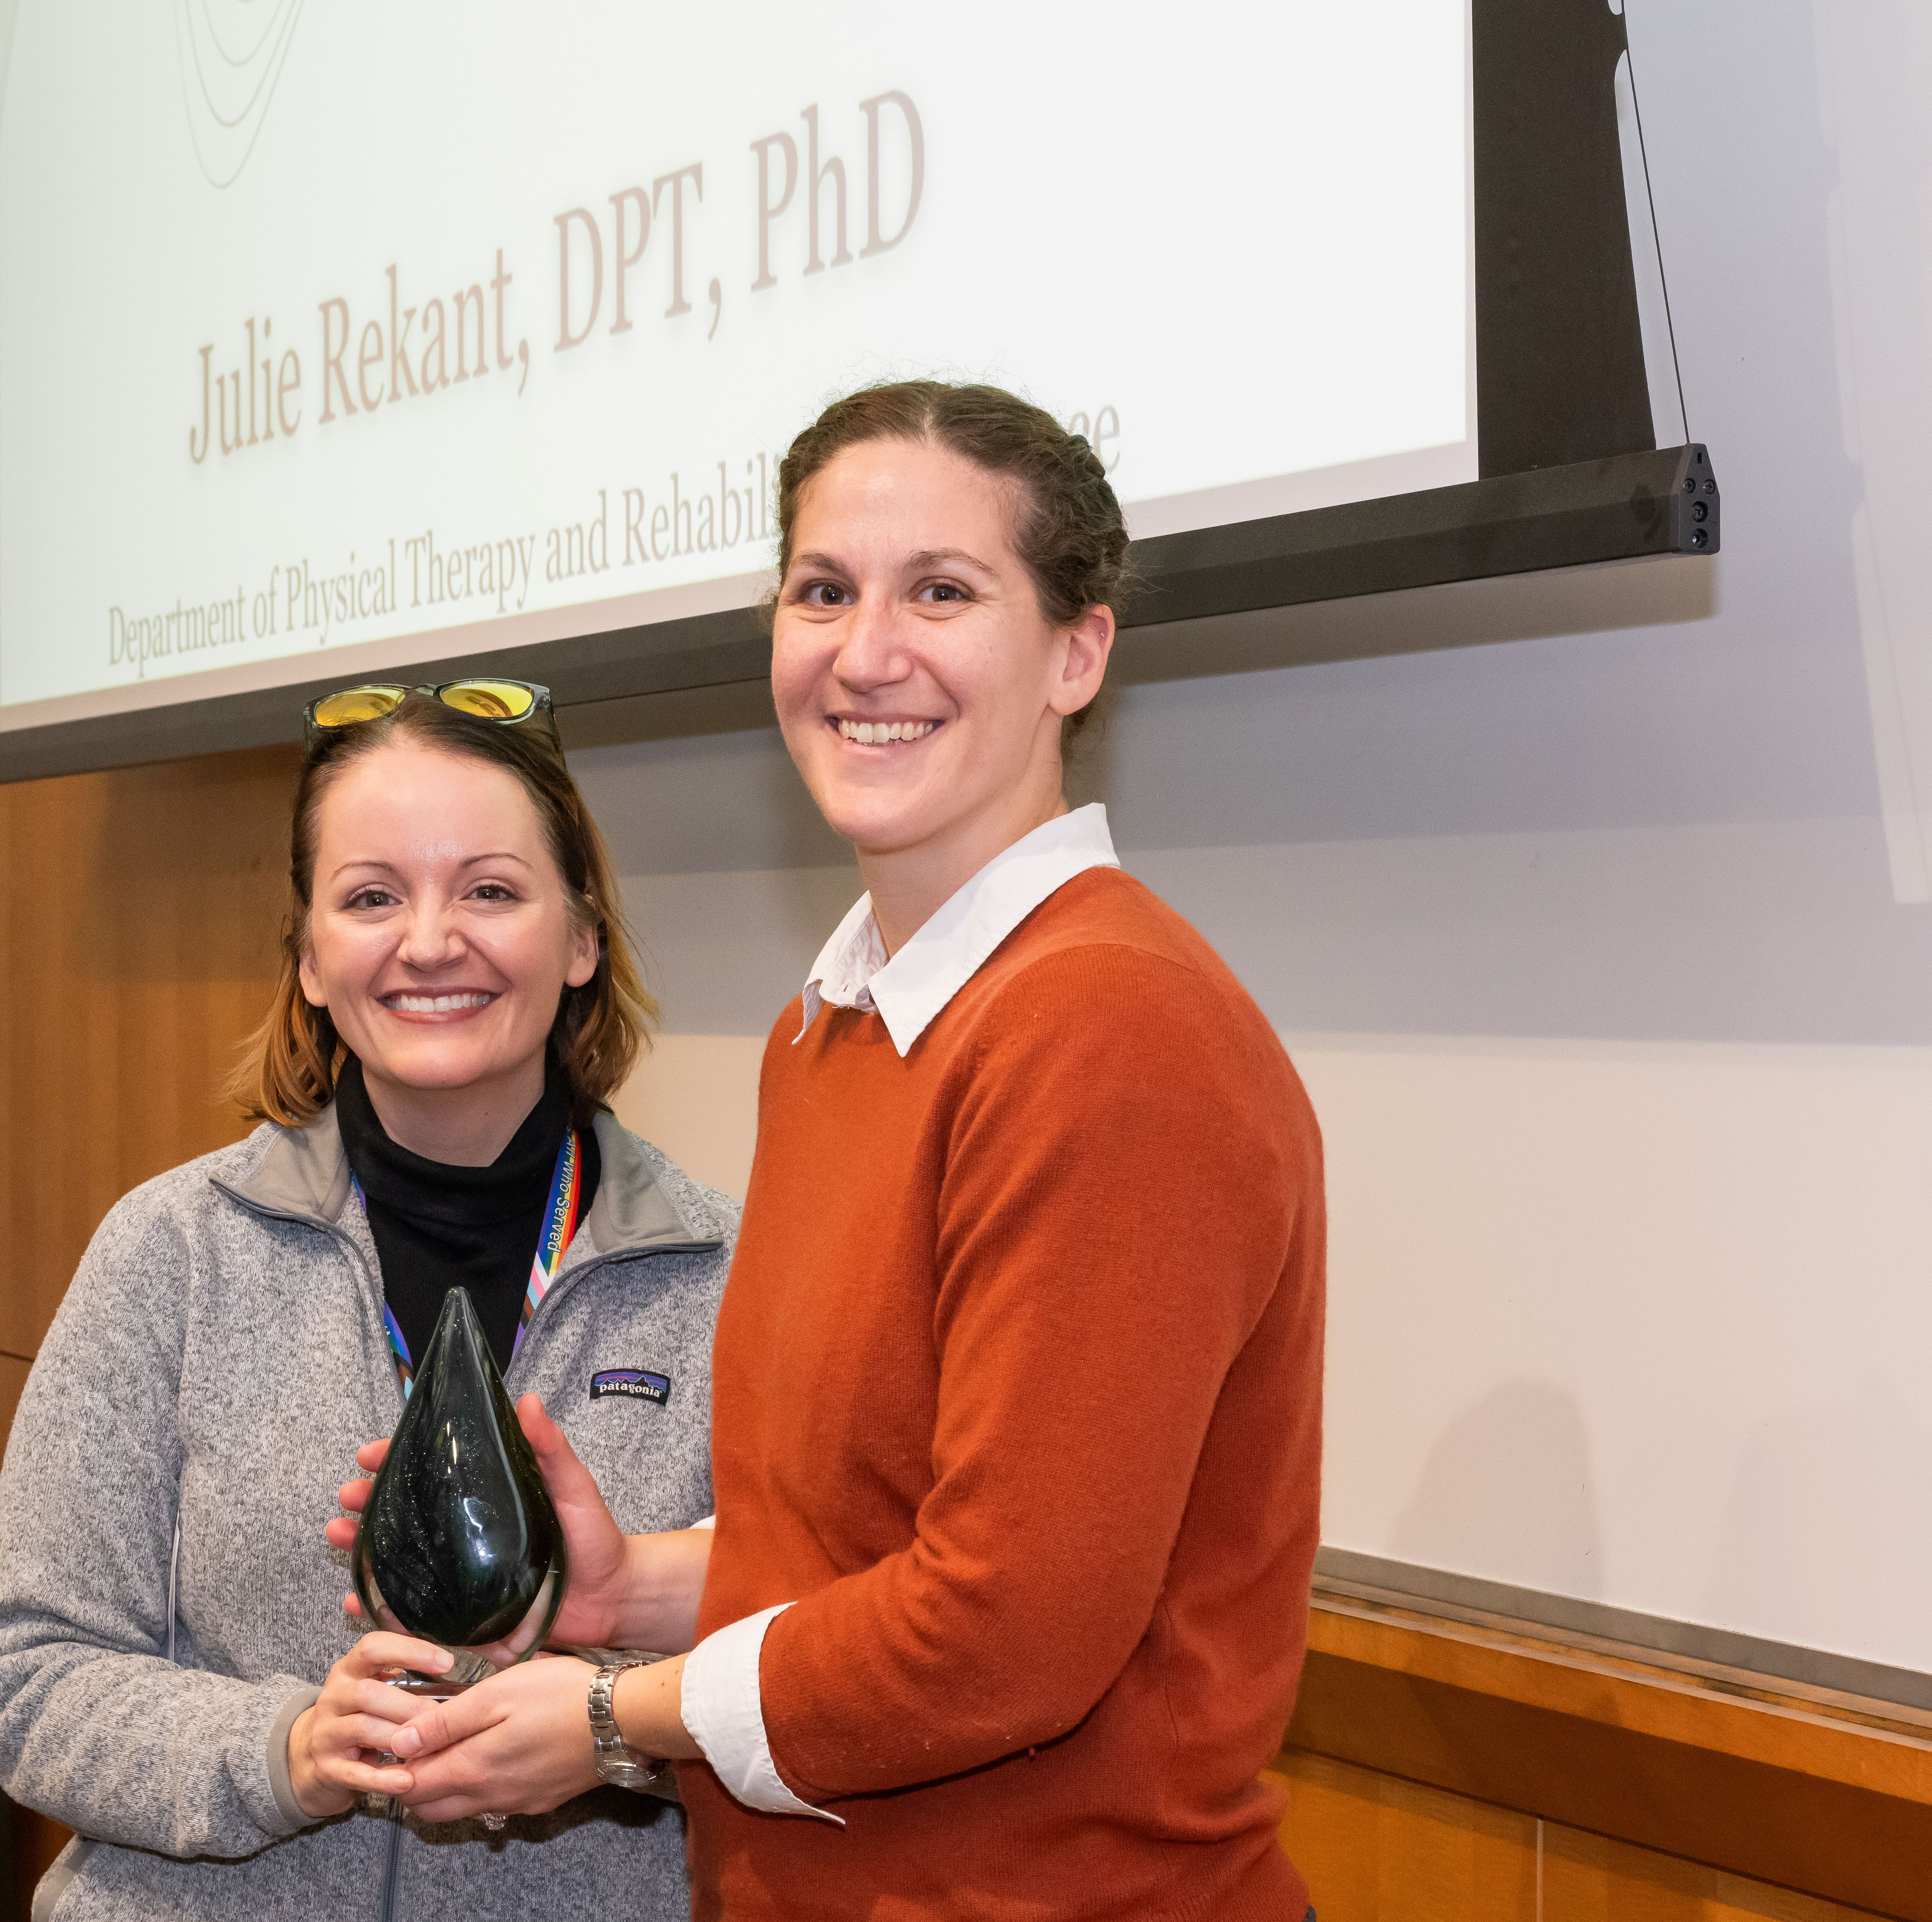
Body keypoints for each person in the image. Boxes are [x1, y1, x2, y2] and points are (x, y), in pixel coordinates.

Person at [340, 383, 1328, 1920]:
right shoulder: (837, 1024)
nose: (868, 654)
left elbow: (1007, 1626)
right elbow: (879, 1532)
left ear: (1080, 649)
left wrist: (613, 1717)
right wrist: (638, 1589)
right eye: (824, 592)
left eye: (943, 590)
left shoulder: (1108, 1027)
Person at [0, 684, 739, 1919]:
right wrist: (287, 1751)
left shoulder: (727, 1276)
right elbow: (28, 1676)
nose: (431, 941)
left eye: (490, 889)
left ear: (582, 938)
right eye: (372, 896)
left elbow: (820, 1678)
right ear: (311, 957)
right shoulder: (171, 1252)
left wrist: (606, 1733)